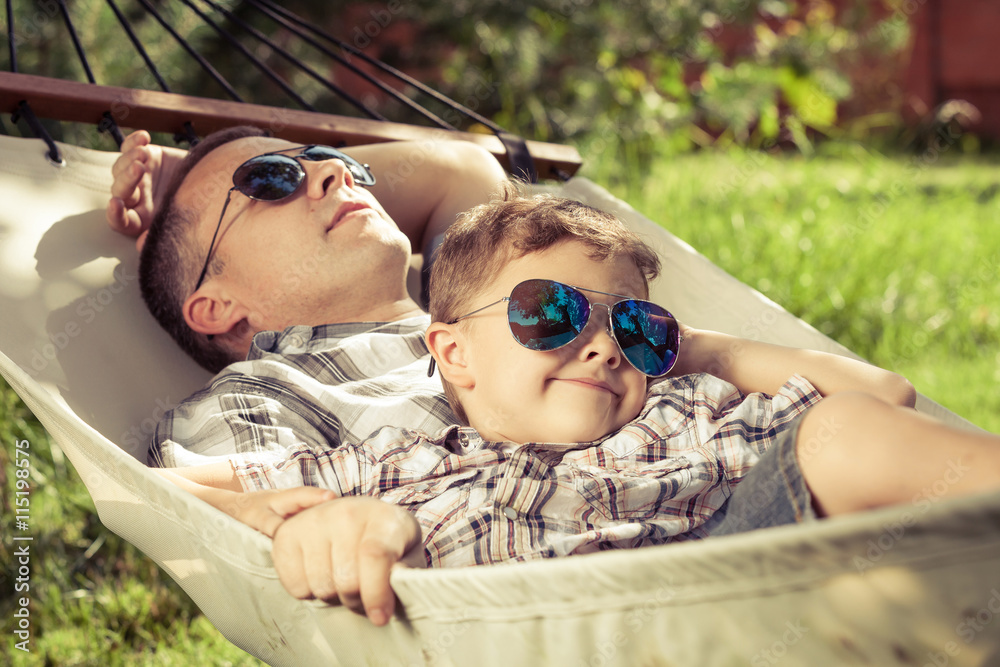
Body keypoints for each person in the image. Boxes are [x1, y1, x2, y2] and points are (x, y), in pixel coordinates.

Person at [156, 185, 1000, 628]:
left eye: (632, 326)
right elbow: (172, 489)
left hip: (738, 576)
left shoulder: (679, 413)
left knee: (840, 432)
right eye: (549, 313)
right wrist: (295, 518)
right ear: (453, 353)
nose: (600, 345)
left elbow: (882, 397)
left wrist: (681, 348)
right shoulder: (403, 464)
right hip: (551, 627)